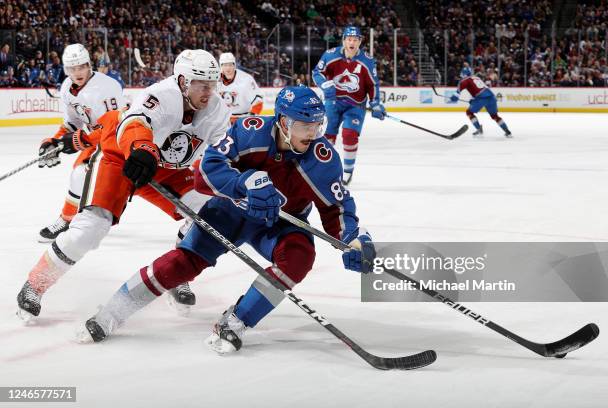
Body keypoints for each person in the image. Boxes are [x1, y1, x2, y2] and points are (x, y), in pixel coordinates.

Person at [77, 86, 376, 353]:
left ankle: (236, 321)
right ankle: (112, 312)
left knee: (299, 257)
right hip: (231, 211)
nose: (312, 133)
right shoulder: (249, 131)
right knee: (184, 262)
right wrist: (242, 183)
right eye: (303, 125)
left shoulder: (322, 159)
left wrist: (351, 239)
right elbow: (205, 173)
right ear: (283, 121)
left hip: (282, 224)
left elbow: (337, 208)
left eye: (316, 124)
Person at [17, 49, 231, 322]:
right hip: (121, 158)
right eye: (201, 84)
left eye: (212, 84)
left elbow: (223, 153)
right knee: (91, 228)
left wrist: (233, 182)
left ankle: (178, 274)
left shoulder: (217, 111)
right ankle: (35, 285)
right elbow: (134, 122)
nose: (208, 91)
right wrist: (140, 148)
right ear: (182, 81)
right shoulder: (161, 95)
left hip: (167, 170)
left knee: (207, 214)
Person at [37, 44, 126, 243]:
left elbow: (115, 127)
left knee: (82, 173)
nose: (77, 73)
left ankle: (69, 219)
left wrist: (79, 140)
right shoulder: (67, 87)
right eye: (71, 68)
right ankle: (72, 218)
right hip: (96, 140)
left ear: (88, 65)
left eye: (81, 67)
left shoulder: (107, 87)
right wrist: (53, 141)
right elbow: (72, 122)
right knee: (80, 173)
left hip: (118, 140)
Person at [312, 25, 386, 185]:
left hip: (355, 106)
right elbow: (316, 73)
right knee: (327, 136)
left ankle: (348, 171)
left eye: (355, 40)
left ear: (360, 42)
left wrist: (375, 103)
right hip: (333, 103)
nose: (352, 42)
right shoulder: (331, 55)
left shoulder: (367, 60)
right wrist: (324, 85)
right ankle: (324, 169)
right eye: (349, 39)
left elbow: (373, 85)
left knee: (349, 135)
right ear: (344, 40)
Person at [450, 73, 512, 138]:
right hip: (492, 97)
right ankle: (507, 131)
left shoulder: (464, 80)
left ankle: (479, 129)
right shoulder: (476, 78)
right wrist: (472, 100)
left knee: (469, 112)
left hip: (481, 98)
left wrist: (455, 95)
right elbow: (476, 88)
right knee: (495, 116)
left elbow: (459, 89)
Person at [218, 52, 263, 123]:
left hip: (243, 119)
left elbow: (258, 99)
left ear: (234, 65)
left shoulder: (246, 79)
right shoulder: (215, 80)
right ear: (221, 66)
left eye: (230, 65)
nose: (228, 68)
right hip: (222, 120)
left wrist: (252, 117)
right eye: (225, 65)